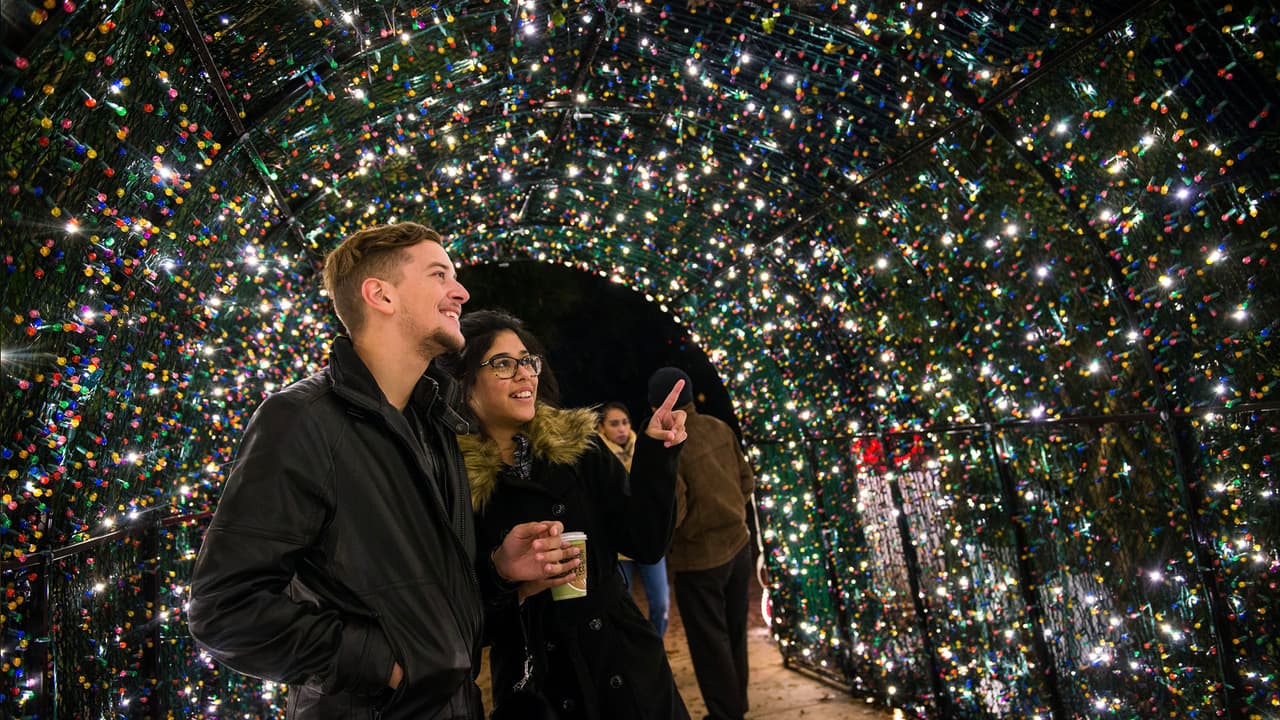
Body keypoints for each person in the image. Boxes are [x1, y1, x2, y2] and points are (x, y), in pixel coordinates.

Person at [186, 222, 580, 720]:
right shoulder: (301, 419)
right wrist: (389, 667)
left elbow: (428, 612)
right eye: (439, 275)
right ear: (381, 295)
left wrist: (500, 574)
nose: (461, 292)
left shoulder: (436, 424)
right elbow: (225, 610)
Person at [443, 310, 691, 720]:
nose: (524, 374)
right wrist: (503, 576)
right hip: (539, 685)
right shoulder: (449, 479)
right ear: (464, 381)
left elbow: (646, 543)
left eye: (528, 361)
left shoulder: (578, 447)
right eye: (502, 363)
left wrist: (656, 455)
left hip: (626, 666)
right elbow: (454, 617)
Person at [648, 367, 756, 720]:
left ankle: (726, 714)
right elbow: (747, 480)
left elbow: (674, 513)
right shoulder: (719, 427)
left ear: (656, 404)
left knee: (710, 643)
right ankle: (736, 706)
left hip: (699, 559)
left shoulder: (672, 443)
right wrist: (732, 512)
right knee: (735, 632)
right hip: (739, 546)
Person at [598, 401, 671, 637]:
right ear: (601, 427)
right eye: (614, 424)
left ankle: (655, 645)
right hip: (617, 545)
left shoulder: (644, 446)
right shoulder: (596, 457)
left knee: (661, 602)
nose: (621, 428)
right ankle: (633, 650)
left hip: (647, 536)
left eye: (625, 422)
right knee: (623, 606)